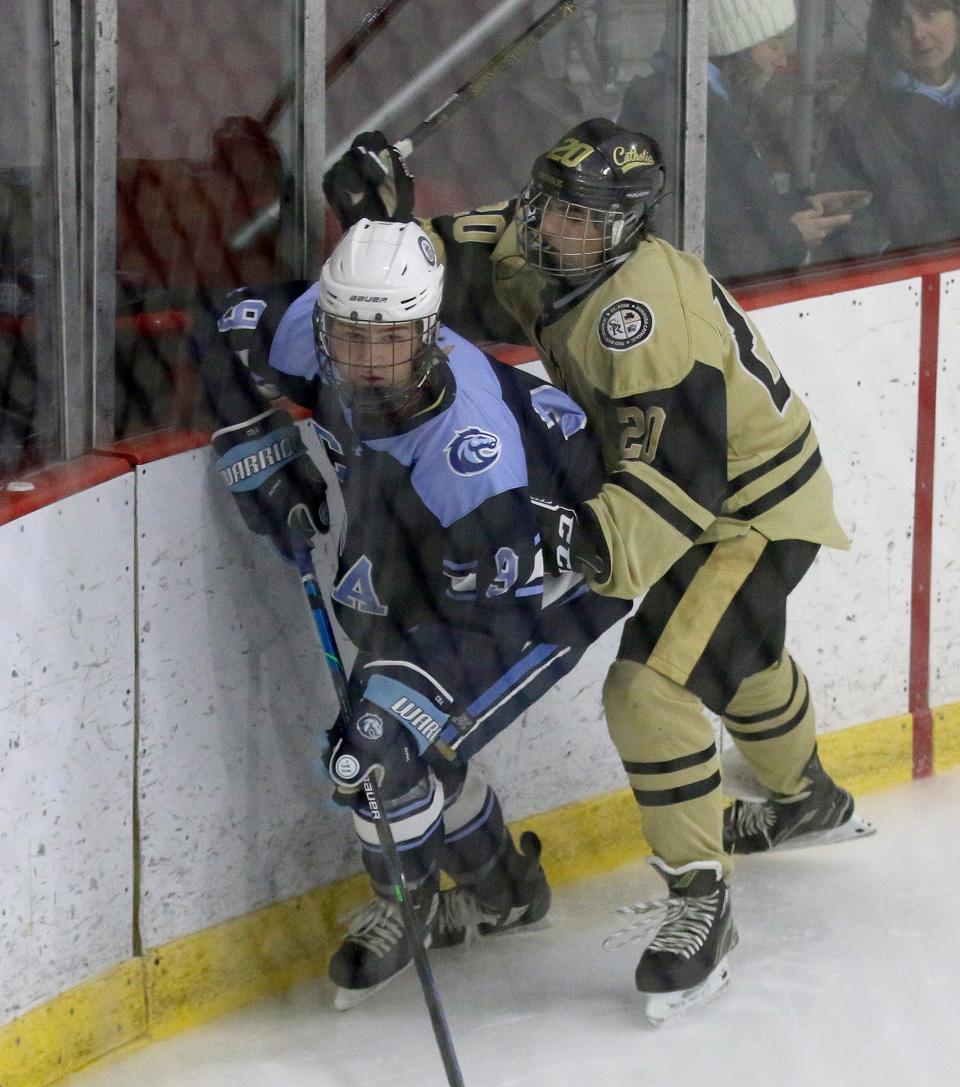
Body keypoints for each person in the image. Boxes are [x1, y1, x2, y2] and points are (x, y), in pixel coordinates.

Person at [324, 117, 874, 1024]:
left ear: (630, 229)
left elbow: (681, 478)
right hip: (677, 491)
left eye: (592, 220)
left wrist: (579, 543)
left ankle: (703, 898)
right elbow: (429, 262)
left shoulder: (645, 316)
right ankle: (807, 795)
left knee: (651, 690)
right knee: (738, 662)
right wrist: (378, 214)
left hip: (746, 513)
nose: (564, 232)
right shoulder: (536, 239)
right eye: (557, 209)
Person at [194, 218, 631, 1008]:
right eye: (349, 335)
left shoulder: (474, 456)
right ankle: (507, 892)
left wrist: (390, 715)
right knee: (400, 738)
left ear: (428, 332)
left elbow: (485, 624)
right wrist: (253, 448)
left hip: (547, 583)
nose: (364, 359)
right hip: (423, 552)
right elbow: (216, 332)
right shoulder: (314, 332)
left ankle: (407, 901)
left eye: (389, 339)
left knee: (381, 743)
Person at [619, 0, 853, 280]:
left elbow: (731, 210)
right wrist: (793, 237)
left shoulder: (700, 102)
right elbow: (714, 256)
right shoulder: (693, 119)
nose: (782, 61)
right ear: (738, 46)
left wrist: (797, 206)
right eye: (773, 44)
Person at [817, 0, 960, 258]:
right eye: (899, 22)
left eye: (929, 13)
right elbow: (848, 232)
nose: (917, 33)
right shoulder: (859, 120)